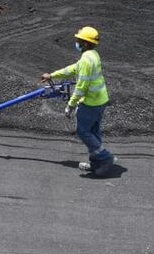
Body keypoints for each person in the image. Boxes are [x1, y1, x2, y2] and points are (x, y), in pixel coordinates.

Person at [41, 26, 115, 177]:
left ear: (86, 43)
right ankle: (97, 162)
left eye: (79, 41)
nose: (77, 43)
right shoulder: (92, 55)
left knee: (83, 131)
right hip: (100, 100)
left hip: (91, 102)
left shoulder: (86, 61)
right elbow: (73, 69)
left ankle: (105, 158)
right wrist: (52, 75)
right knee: (93, 132)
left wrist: (71, 104)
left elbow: (81, 87)